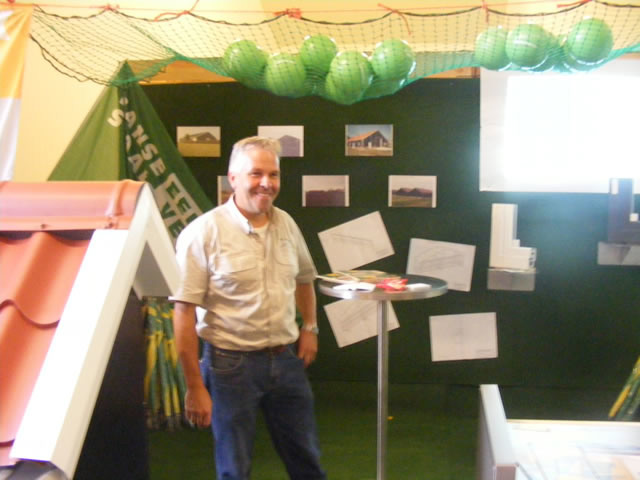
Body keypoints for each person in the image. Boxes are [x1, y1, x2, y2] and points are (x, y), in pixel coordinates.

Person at [171, 136, 326, 480]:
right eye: (256, 173)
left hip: (285, 360)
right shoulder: (202, 233)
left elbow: (304, 278)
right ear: (233, 178)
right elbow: (183, 313)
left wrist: (310, 327)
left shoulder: (286, 224)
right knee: (234, 469)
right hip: (229, 366)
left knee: (307, 459)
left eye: (274, 175)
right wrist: (195, 386)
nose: (266, 183)